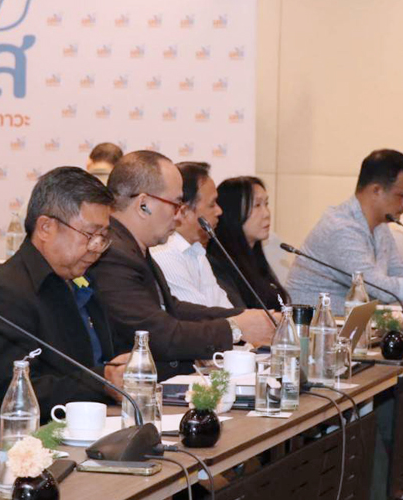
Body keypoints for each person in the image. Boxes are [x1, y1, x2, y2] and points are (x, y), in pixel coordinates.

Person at [0, 167, 129, 421]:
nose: (96, 248)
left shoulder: (81, 281)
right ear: (46, 228)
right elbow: (14, 393)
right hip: (34, 437)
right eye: (90, 235)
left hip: (96, 422)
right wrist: (102, 382)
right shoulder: (1, 296)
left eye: (103, 237)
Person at [87, 151, 276, 376]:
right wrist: (235, 328)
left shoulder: (133, 246)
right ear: (143, 205)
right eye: (175, 204)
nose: (179, 217)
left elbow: (173, 308)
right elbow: (157, 334)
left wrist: (244, 317)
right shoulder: (114, 254)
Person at [286, 149, 403, 315]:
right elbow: (375, 287)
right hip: (313, 323)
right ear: (376, 190)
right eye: (401, 195)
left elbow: (399, 269)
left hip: (350, 321)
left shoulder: (380, 226)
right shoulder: (341, 228)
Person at [150, 162, 234, 309]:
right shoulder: (165, 253)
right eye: (212, 204)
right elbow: (200, 317)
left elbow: (223, 307)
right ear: (184, 211)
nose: (219, 211)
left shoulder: (196, 250)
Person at [208, 176, 289, 310]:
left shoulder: (255, 258)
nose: (266, 213)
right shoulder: (218, 264)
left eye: (266, 204)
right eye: (257, 205)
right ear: (233, 211)